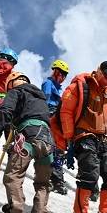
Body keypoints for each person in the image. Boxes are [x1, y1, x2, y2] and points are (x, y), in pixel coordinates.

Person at [53, 61, 107, 213]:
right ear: (99, 72)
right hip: (83, 136)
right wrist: (70, 137)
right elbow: (66, 111)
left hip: (101, 139)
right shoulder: (81, 85)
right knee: (89, 176)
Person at [0, 73, 53, 213]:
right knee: (43, 183)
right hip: (47, 141)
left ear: (11, 83)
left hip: (27, 136)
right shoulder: (40, 98)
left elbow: (5, 111)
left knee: (13, 177)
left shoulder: (16, 91)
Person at [41, 59, 70, 194]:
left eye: (64, 74)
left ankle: (56, 179)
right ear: (55, 71)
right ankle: (55, 179)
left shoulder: (58, 88)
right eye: (61, 73)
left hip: (58, 118)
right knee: (54, 149)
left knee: (57, 149)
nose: (62, 76)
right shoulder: (48, 83)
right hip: (51, 116)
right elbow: (45, 99)